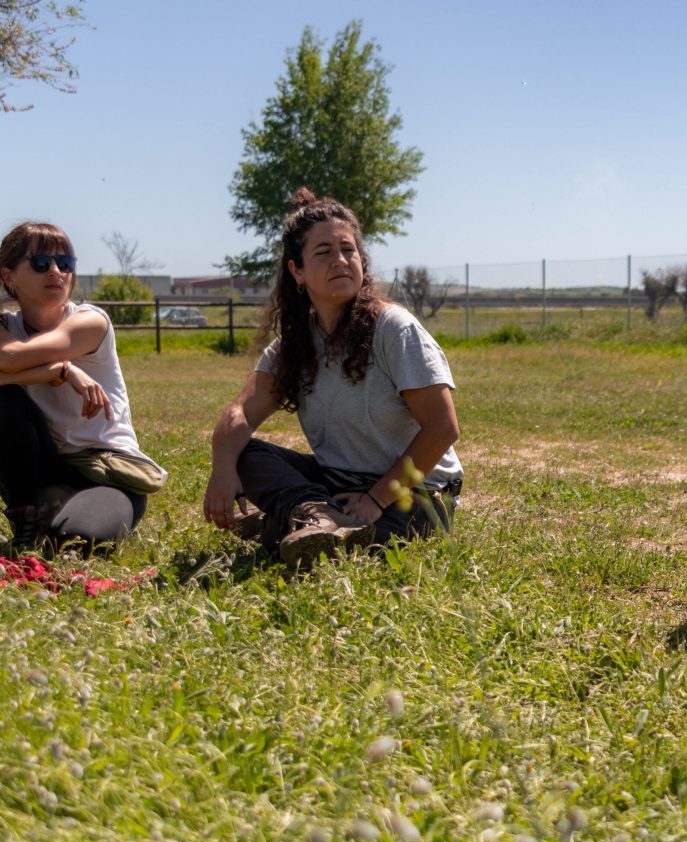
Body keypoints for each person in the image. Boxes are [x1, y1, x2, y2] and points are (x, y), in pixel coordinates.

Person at [204, 188, 463, 567]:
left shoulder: (393, 329)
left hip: (414, 493)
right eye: (324, 253)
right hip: (336, 486)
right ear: (297, 271)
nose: (340, 261)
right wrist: (223, 470)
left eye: (349, 250)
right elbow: (240, 412)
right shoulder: (294, 345)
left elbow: (442, 427)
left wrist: (375, 499)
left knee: (365, 542)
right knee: (247, 453)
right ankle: (315, 519)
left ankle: (284, 524)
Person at [0, 222, 166, 553]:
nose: (57, 272)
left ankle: (57, 511)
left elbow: (12, 359)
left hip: (107, 472)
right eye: (41, 262)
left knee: (74, 539)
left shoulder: (91, 322)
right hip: (44, 466)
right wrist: (62, 372)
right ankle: (28, 515)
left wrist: (52, 369)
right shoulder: (6, 325)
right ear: (9, 276)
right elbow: (9, 358)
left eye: (66, 263)